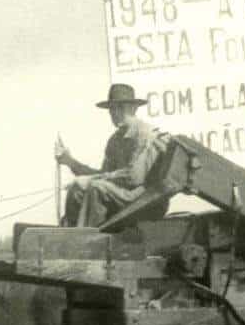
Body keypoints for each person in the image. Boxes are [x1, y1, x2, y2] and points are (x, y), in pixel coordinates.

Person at [54, 84, 168, 227]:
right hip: (124, 197)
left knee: (96, 188)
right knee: (76, 189)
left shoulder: (145, 134)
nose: (115, 113)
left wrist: (90, 179)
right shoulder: (115, 140)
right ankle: (69, 235)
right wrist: (70, 162)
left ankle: (87, 239)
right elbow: (105, 174)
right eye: (112, 109)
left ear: (134, 108)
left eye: (121, 108)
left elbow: (134, 177)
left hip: (145, 201)